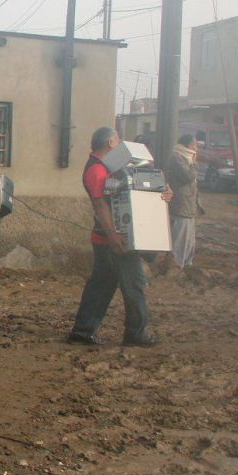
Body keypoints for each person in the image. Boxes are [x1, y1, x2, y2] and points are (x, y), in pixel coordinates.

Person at [67, 127, 172, 347]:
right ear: (111, 142)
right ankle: (136, 333)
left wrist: (162, 191)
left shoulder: (108, 167)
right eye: (117, 139)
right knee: (134, 285)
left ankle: (83, 330)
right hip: (115, 241)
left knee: (101, 285)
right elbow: (100, 204)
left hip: (109, 239)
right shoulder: (97, 170)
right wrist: (113, 235)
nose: (121, 142)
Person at [162, 134, 201, 273]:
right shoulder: (177, 157)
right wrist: (195, 165)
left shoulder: (185, 157)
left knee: (188, 238)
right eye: (194, 144)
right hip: (181, 203)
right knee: (180, 236)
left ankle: (185, 264)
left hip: (187, 203)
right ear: (187, 145)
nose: (196, 147)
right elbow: (187, 177)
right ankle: (175, 265)